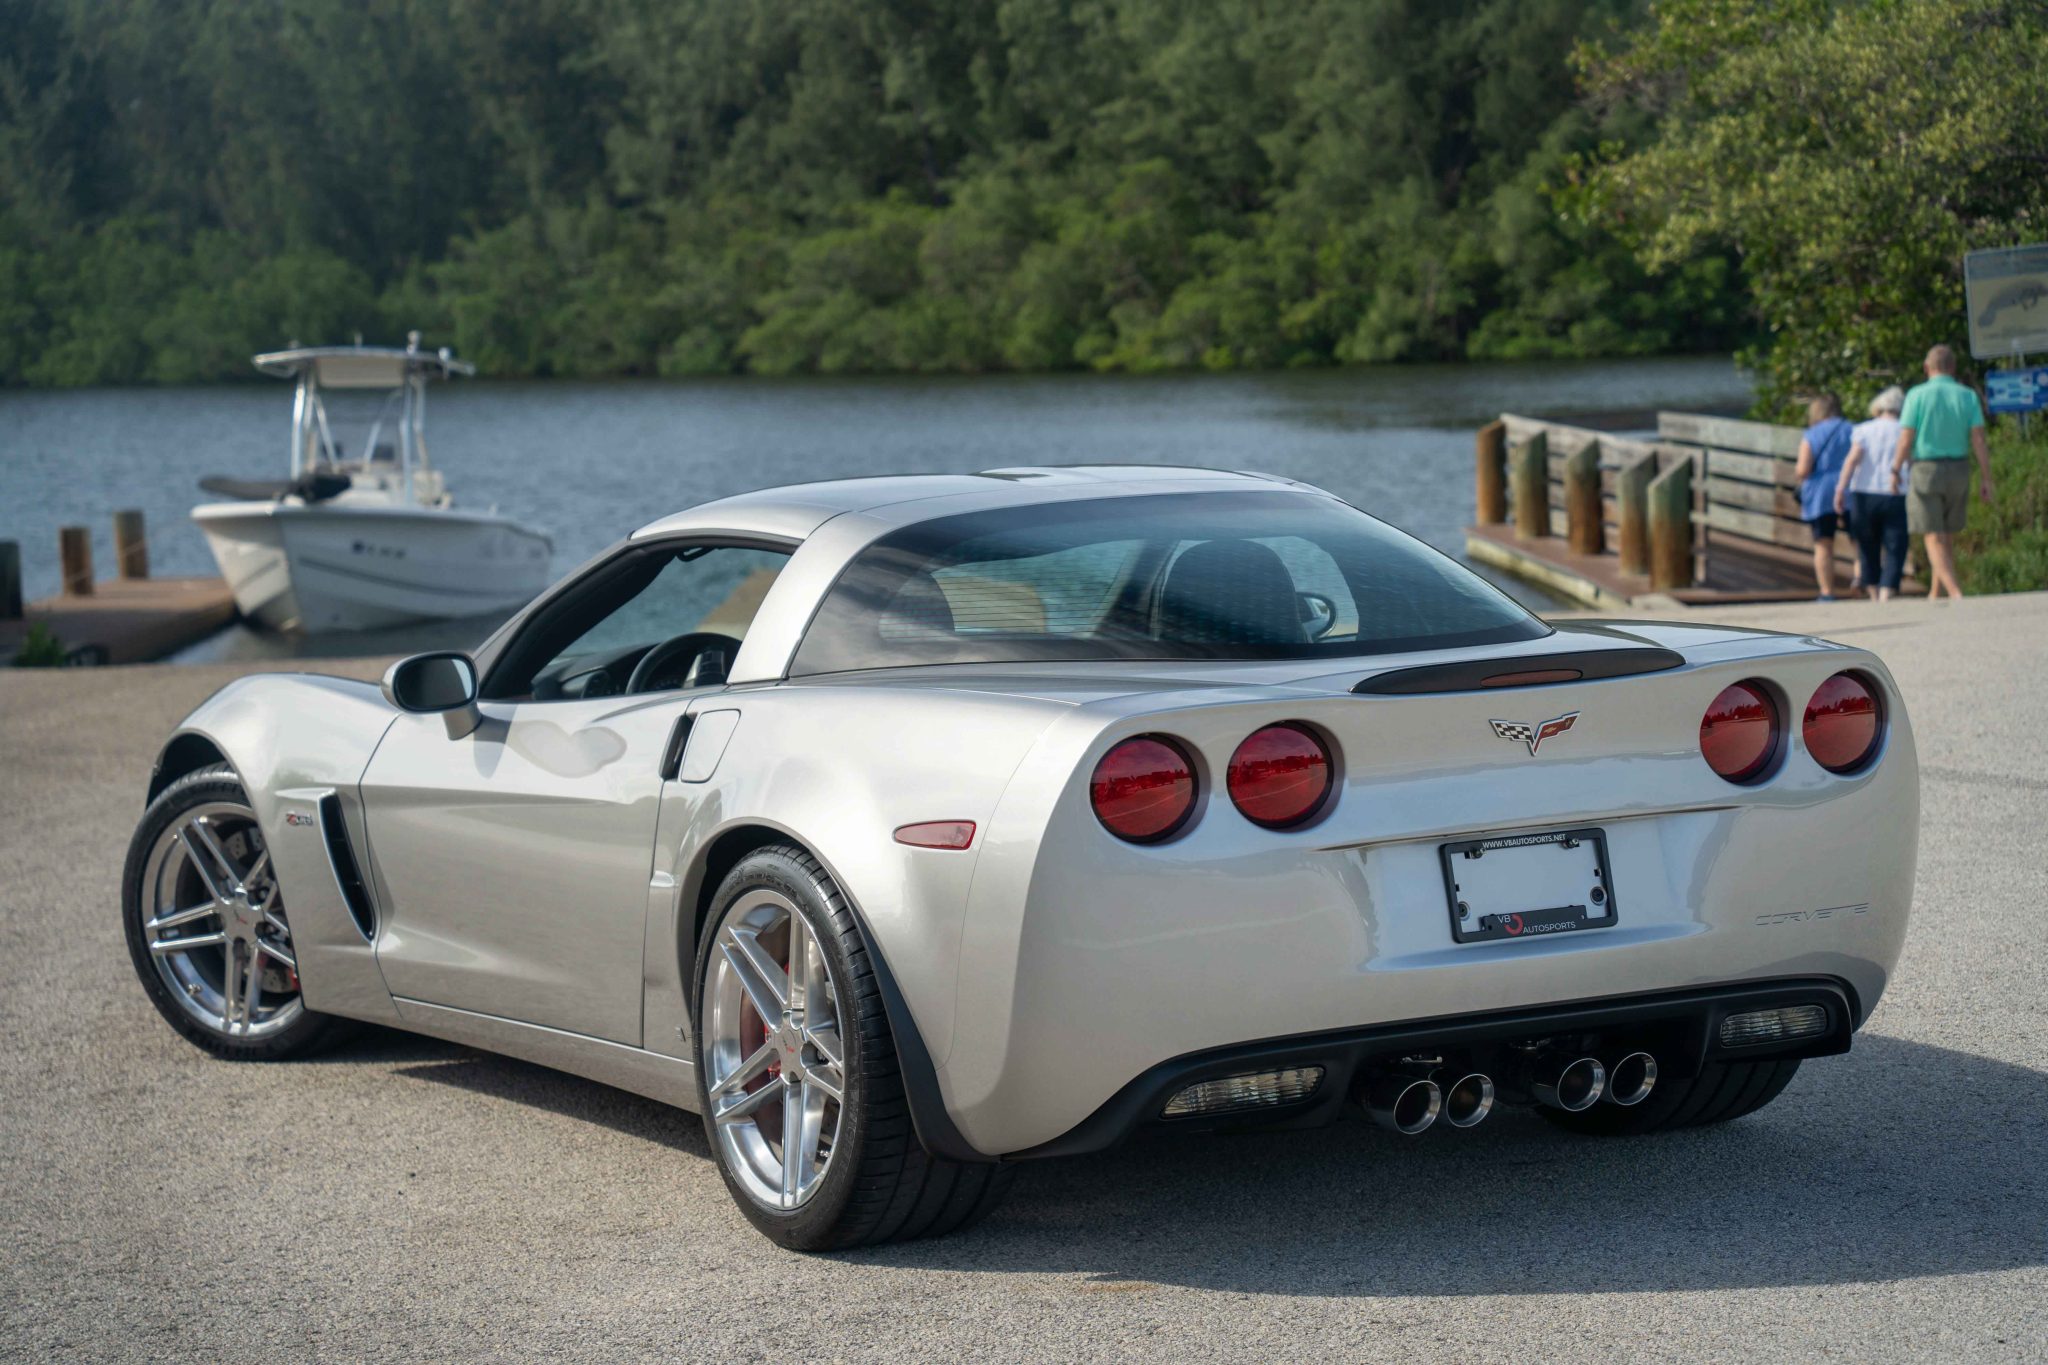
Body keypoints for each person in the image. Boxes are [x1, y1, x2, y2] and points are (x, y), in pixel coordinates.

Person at [1891, 344, 1995, 598]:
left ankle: (1955, 592)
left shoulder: (1916, 395)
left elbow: (1906, 438)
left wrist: (1895, 469)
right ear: (1953, 367)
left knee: (1932, 534)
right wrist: (1986, 477)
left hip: (1927, 468)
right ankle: (1936, 593)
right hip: (1959, 468)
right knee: (1946, 534)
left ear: (1927, 368)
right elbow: (1979, 440)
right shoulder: (1967, 395)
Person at [1834, 386, 1908, 601]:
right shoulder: (1905, 429)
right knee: (1895, 544)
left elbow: (1852, 460)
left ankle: (1873, 591)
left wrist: (1840, 488)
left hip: (1864, 494)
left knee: (1867, 544)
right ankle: (1887, 591)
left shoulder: (1864, 429)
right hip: (1895, 492)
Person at [1794, 393, 1853, 600]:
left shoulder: (1812, 434)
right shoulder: (1852, 429)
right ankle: (1862, 582)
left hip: (1820, 493)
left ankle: (1827, 592)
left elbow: (1803, 469)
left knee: (1823, 544)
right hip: (1850, 490)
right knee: (1859, 541)